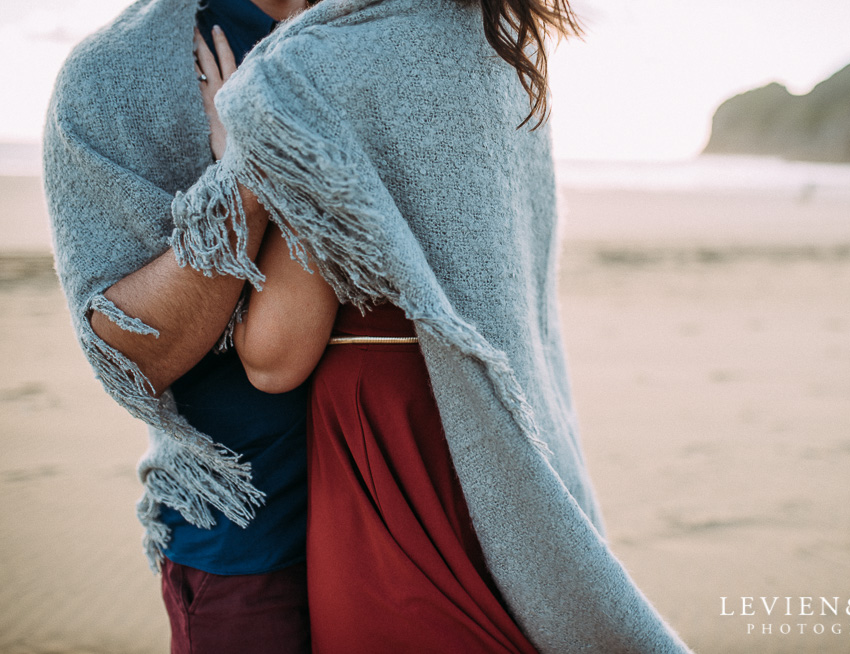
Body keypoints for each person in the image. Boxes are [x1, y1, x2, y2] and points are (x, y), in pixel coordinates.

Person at [171, 0, 693, 651]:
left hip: (391, 449)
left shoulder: (310, 67)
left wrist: (240, 165)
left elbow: (274, 359)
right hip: (496, 438)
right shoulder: (506, 45)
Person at [42, 0, 315, 651]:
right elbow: (132, 356)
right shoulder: (115, 75)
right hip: (254, 545)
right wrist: (245, 180)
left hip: (420, 514)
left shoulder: (393, 29)